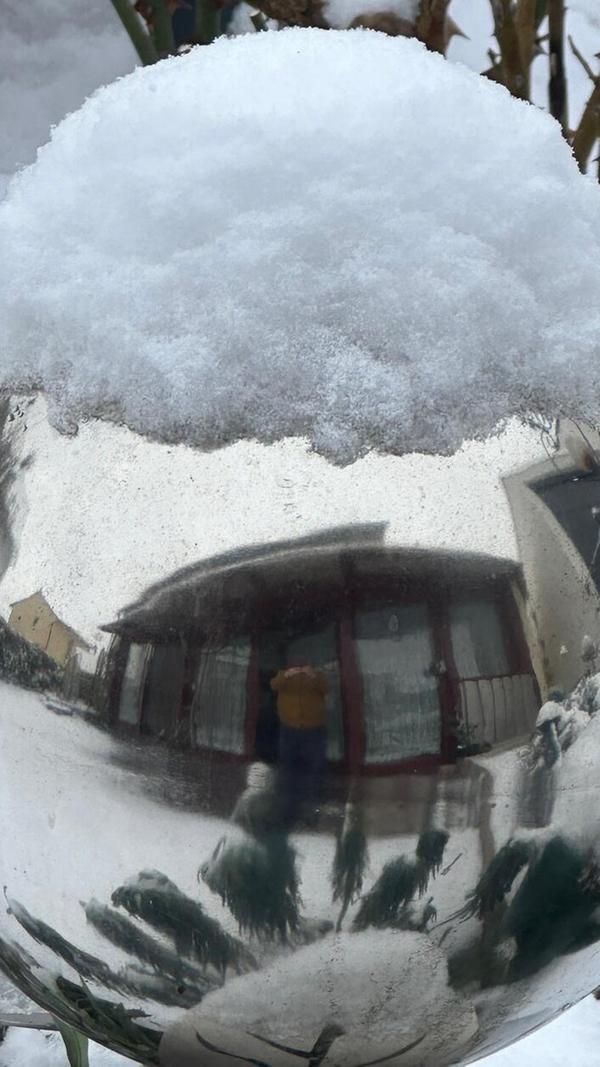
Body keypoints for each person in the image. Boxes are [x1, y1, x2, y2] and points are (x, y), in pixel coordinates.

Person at [271, 658, 329, 826]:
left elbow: (327, 688)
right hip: (289, 731)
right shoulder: (284, 677)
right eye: (296, 665)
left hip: (314, 732)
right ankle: (288, 813)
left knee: (314, 771)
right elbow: (274, 685)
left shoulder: (316, 677)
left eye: (302, 665)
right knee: (288, 771)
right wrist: (287, 675)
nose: (300, 668)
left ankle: (311, 814)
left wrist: (313, 675)